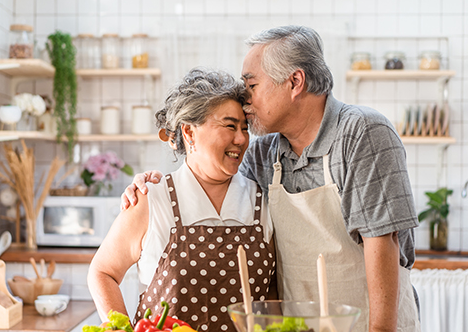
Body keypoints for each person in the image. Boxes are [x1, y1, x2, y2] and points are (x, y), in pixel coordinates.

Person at [122, 26, 421, 332]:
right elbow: (210, 181)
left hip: (368, 324)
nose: (245, 100)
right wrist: (154, 184)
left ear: (295, 82)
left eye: (251, 86)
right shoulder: (263, 154)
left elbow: (384, 240)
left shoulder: (362, 132)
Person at [88, 68, 276, 332]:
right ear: (189, 133)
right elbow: (102, 272)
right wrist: (121, 329)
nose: (242, 139)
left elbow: (272, 296)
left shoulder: (263, 201)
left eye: (245, 129)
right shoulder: (152, 200)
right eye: (230, 126)